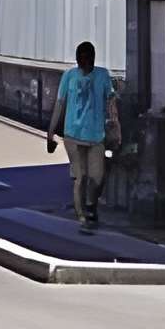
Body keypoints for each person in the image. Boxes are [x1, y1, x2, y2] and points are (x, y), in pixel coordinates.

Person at [48, 38, 118, 234]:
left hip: (96, 135)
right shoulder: (69, 76)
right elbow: (60, 104)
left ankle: (91, 205)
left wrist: (116, 126)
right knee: (81, 176)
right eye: (83, 59)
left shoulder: (103, 75)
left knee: (97, 177)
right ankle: (82, 216)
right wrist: (50, 133)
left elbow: (111, 103)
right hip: (73, 135)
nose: (86, 63)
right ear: (78, 60)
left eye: (89, 59)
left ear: (94, 59)